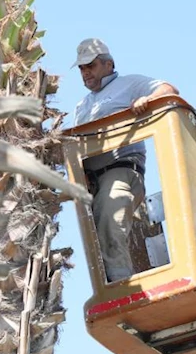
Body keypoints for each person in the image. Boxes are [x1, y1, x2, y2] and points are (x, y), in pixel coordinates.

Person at [71, 38, 179, 282]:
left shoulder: (128, 84)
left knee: (111, 227)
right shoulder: (82, 105)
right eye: (82, 68)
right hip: (93, 181)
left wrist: (147, 101)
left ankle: (122, 288)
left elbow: (169, 90)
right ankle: (115, 284)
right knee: (97, 241)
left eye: (91, 66)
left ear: (109, 64)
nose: (86, 72)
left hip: (119, 170)